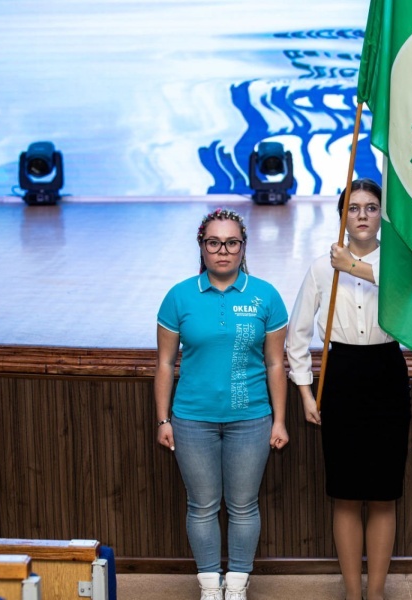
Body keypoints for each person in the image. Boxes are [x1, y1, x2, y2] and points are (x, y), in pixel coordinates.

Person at [285, 178, 411, 600]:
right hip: (341, 374)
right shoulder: (322, 268)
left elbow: (407, 295)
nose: (362, 215)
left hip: (386, 372)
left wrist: (352, 266)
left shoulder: (397, 263)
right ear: (342, 215)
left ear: (381, 216)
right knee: (345, 493)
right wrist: (306, 393)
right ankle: (353, 594)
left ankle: (376, 593)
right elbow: (298, 335)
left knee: (383, 494)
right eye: (353, 208)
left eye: (371, 207)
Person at [155, 208, 289, 600]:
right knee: (201, 506)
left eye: (232, 243)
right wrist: (163, 419)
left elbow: (275, 363)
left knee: (244, 506)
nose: (223, 251)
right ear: (202, 247)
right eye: (214, 243)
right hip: (191, 420)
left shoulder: (266, 295)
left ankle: (237, 586)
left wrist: (279, 421)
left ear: (243, 246)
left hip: (251, 419)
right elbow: (164, 363)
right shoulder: (179, 296)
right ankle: (210, 587)